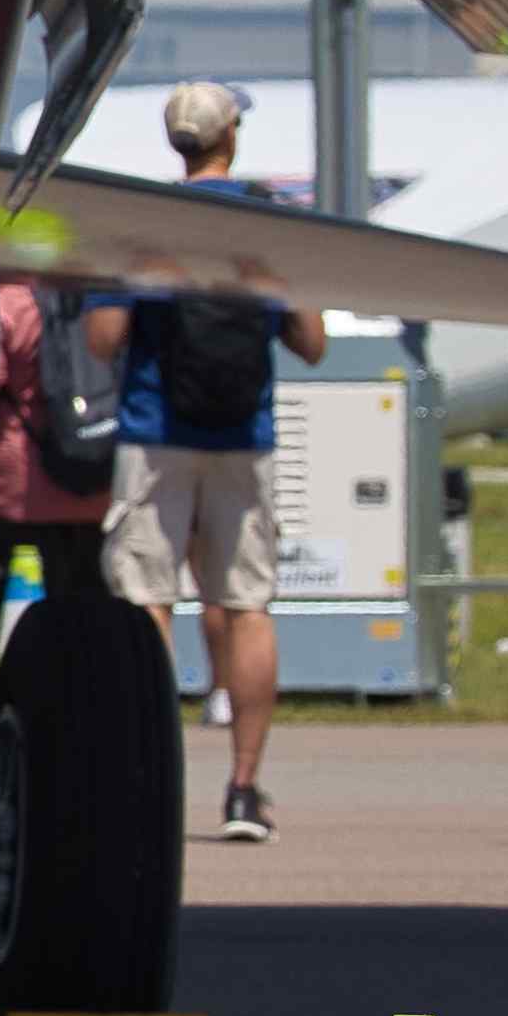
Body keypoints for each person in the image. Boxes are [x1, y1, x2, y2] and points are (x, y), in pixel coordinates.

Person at [84, 80, 325, 845]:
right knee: (246, 605)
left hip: (153, 433)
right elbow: (311, 342)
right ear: (230, 137)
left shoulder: (144, 221)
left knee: (146, 602)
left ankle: (149, 781)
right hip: (242, 436)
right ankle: (243, 789)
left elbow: (102, 340)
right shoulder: (265, 219)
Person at [0, 274, 113, 670]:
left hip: (16, 491)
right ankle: (82, 693)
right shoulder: (95, 301)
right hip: (92, 484)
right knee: (84, 615)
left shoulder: (5, 304)